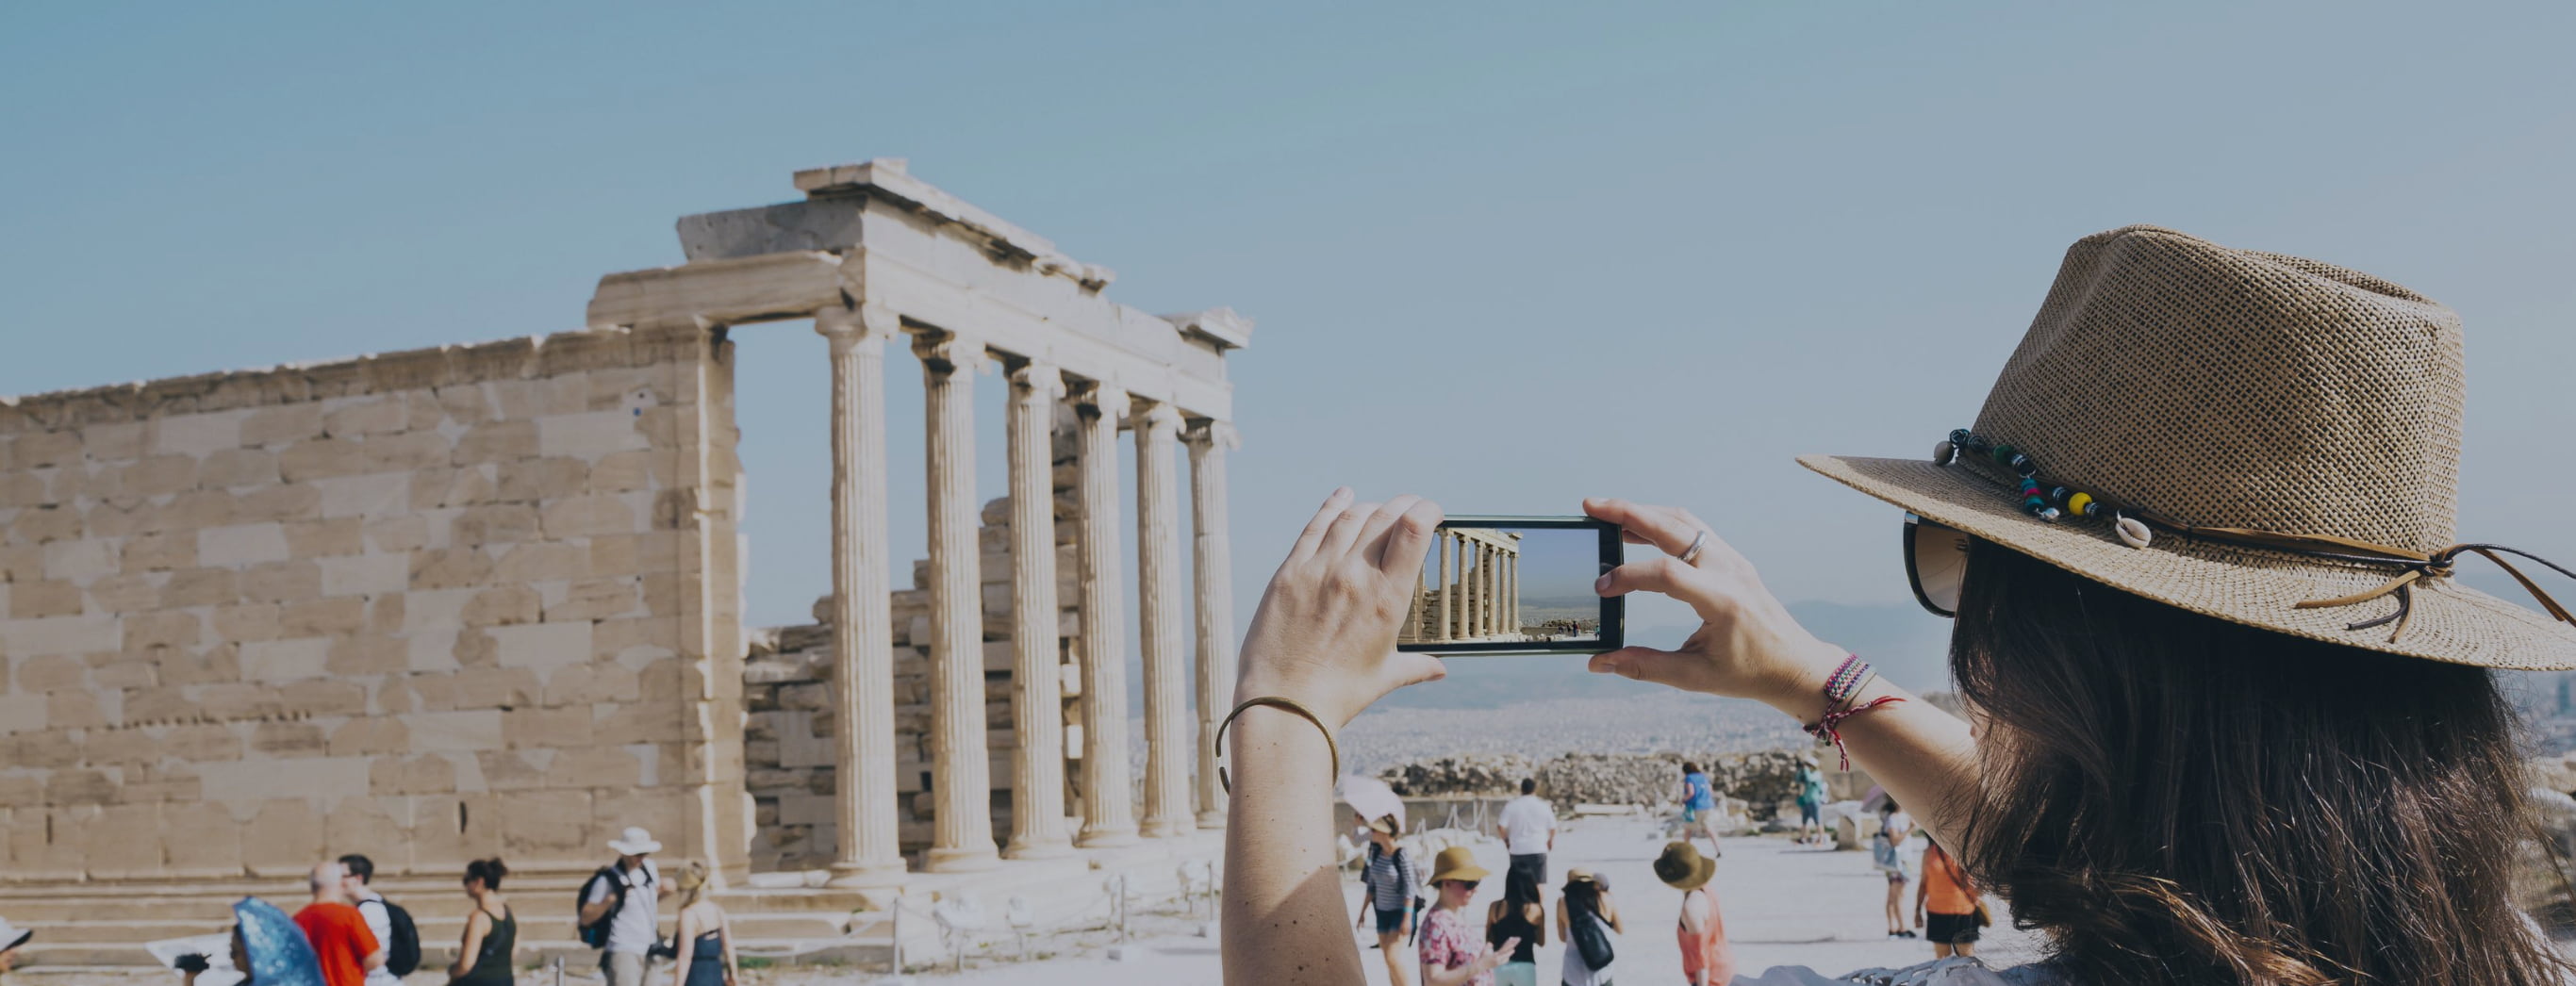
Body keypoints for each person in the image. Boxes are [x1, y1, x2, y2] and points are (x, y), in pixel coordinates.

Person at [1216, 226, 2576, 984]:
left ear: (2066, 659)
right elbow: (2145, 853)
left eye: (1962, 572)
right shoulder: (2497, 954)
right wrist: (1816, 681)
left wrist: (1281, 723)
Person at [579, 828, 674, 986]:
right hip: (623, 948)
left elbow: (645, 903)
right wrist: (609, 901)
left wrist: (664, 891)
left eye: (645, 853)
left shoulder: (649, 869)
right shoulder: (607, 880)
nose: (641, 857)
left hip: (650, 947)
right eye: (637, 853)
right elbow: (585, 917)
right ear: (624, 852)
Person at [1415, 847, 1513, 986]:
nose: (1475, 890)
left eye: (1476, 882)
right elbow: (1433, 979)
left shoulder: (1456, 916)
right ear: (1447, 882)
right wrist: (1480, 965)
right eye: (1469, 884)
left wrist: (1489, 957)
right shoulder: (1435, 924)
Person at [1351, 813, 1419, 986]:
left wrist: (1406, 918)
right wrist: (1362, 913)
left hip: (1400, 913)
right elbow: (1371, 887)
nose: (1371, 832)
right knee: (1389, 961)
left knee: (1392, 957)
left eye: (1374, 829)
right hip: (1381, 912)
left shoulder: (1401, 855)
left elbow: (1410, 888)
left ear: (1385, 832)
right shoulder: (1376, 853)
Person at [1655, 842, 1734, 986]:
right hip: (1722, 964)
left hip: (1711, 978)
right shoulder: (1706, 889)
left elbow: (1700, 960)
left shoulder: (1691, 908)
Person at [291, 863, 382, 986]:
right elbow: (375, 959)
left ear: (312, 887)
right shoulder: (349, 915)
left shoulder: (297, 919)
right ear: (340, 884)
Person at [336, 855, 407, 986]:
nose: (336, 881)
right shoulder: (374, 905)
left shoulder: (368, 911)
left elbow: (373, 955)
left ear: (358, 878)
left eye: (342, 876)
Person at [446, 859, 514, 986]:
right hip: (505, 980)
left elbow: (466, 965)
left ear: (479, 882)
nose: (465, 886)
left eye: (467, 880)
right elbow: (513, 951)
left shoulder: (479, 918)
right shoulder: (508, 914)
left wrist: (452, 971)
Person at [668, 863, 735, 986]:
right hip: (716, 974)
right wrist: (733, 975)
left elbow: (685, 956)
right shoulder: (717, 910)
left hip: (696, 976)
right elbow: (728, 946)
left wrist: (677, 984)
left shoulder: (688, 914)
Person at [1553, 869, 1619, 986]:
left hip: (1573, 973)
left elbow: (1563, 937)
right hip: (1602, 971)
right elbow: (1620, 929)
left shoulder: (1562, 902)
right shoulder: (1605, 898)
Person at [1915, 842, 1979, 960]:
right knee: (1942, 960)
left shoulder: (1963, 851)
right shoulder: (1930, 852)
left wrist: (1976, 887)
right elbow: (1923, 883)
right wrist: (1917, 910)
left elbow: (1977, 887)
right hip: (1937, 912)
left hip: (1963, 911)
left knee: (1966, 959)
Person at [1482, 870, 1544, 986]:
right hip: (1524, 965)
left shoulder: (1495, 907)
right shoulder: (1536, 909)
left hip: (1499, 965)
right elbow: (1541, 941)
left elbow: (1488, 938)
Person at [1494, 778, 1555, 889]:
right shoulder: (1543, 805)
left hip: (1518, 849)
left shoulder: (1512, 805)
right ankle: (1538, 906)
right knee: (1538, 885)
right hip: (1538, 848)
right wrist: (1550, 841)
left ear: (1521, 789)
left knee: (1518, 885)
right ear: (1534, 789)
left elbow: (1500, 826)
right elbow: (1552, 827)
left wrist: (1507, 841)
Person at [1873, 801, 1913, 939]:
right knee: (1894, 895)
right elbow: (1894, 841)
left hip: (1903, 861)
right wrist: (1909, 829)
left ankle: (1900, 927)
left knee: (1899, 895)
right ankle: (1894, 928)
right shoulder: (1892, 818)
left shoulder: (1903, 816)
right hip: (1895, 862)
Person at [1675, 762, 1720, 853]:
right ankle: (1718, 849)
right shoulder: (1703, 777)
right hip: (1708, 805)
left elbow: (1691, 792)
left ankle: (1686, 850)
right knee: (1709, 829)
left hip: (1695, 806)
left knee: (1688, 829)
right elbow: (1710, 791)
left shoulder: (1689, 778)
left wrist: (1683, 800)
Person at [1793, 757, 1827, 846]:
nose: (1807, 767)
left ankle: (1821, 839)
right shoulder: (1807, 773)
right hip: (1806, 800)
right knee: (1804, 822)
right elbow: (1797, 780)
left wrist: (1806, 770)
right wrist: (1800, 771)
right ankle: (1802, 838)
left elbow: (1809, 779)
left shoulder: (1817, 774)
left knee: (1817, 821)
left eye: (1809, 765)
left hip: (1815, 800)